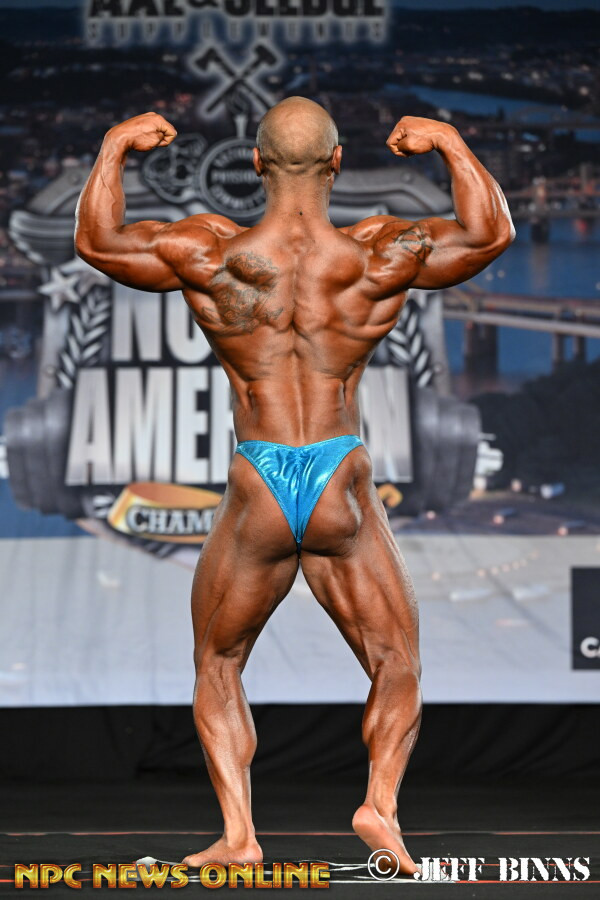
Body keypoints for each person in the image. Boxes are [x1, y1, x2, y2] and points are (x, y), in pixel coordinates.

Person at [75, 98, 514, 875]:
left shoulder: (211, 251)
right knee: (396, 661)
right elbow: (489, 234)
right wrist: (447, 141)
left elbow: (98, 242)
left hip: (260, 477)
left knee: (218, 664)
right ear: (338, 162)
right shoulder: (378, 251)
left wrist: (114, 146)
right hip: (339, 473)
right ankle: (379, 805)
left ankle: (239, 835)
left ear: (256, 163)